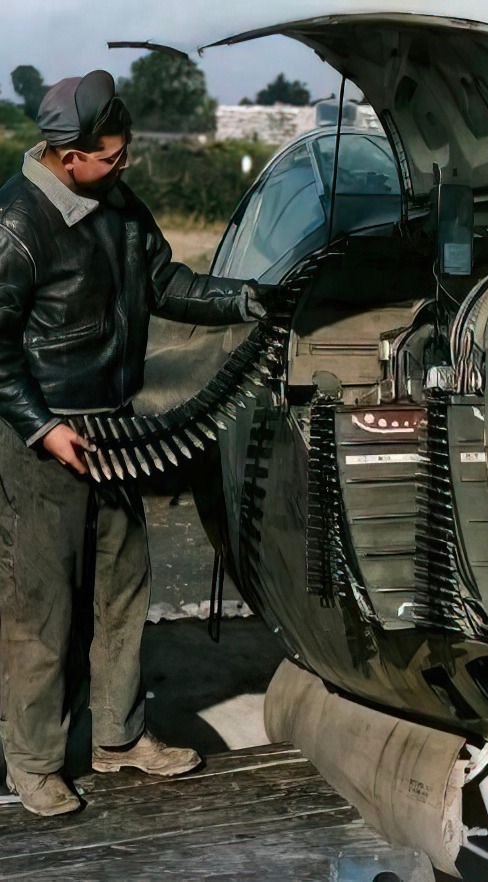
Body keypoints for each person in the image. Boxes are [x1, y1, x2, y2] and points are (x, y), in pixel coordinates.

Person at [0, 70, 278, 816]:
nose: (125, 167)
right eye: (112, 157)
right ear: (66, 154)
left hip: (115, 429)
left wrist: (247, 298)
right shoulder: (16, 224)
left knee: (124, 590)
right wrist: (45, 427)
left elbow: (165, 282)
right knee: (41, 609)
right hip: (43, 439)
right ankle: (32, 762)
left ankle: (118, 739)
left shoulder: (115, 205)